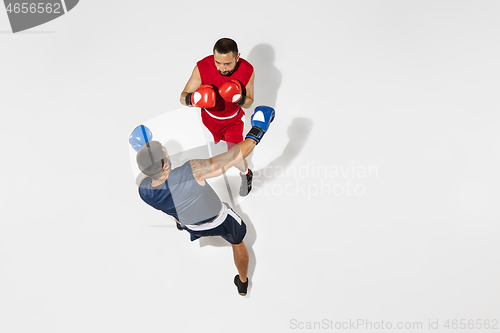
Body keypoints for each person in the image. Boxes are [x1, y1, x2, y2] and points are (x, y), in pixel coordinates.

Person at [134, 106, 275, 296]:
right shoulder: (191, 171)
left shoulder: (143, 190)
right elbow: (233, 157)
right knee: (238, 242)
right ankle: (242, 283)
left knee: (172, 210)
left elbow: (156, 179)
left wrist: (147, 152)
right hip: (219, 220)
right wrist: (259, 129)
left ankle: (179, 225)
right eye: (165, 151)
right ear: (166, 162)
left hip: (190, 225)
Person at [180, 38, 255, 197]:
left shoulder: (247, 70)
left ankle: (246, 173)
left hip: (232, 122)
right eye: (218, 62)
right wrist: (194, 99)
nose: (222, 68)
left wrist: (238, 98)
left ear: (237, 57)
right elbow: (182, 96)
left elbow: (249, 102)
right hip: (209, 119)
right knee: (217, 150)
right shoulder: (202, 66)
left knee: (234, 158)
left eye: (227, 64)